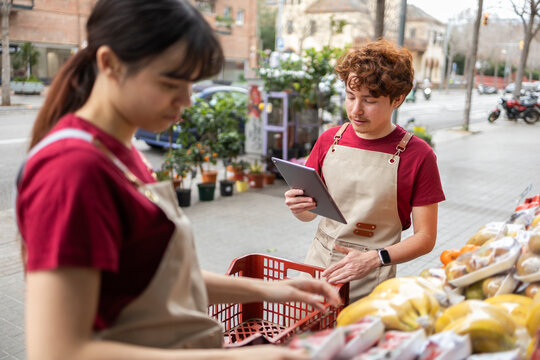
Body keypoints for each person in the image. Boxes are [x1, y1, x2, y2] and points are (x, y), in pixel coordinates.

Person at [15, 1, 340, 359]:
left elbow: (156, 278)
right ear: (109, 64)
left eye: (191, 83)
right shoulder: (72, 171)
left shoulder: (119, 152)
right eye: (172, 82)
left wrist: (273, 291)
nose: (187, 100)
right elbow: (60, 351)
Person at [284, 40, 445, 302]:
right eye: (350, 96)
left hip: (372, 279)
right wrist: (300, 208)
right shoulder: (328, 140)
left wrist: (376, 258)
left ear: (398, 99)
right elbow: (309, 216)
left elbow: (425, 238)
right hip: (318, 269)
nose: (356, 110)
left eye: (369, 100)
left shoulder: (419, 156)